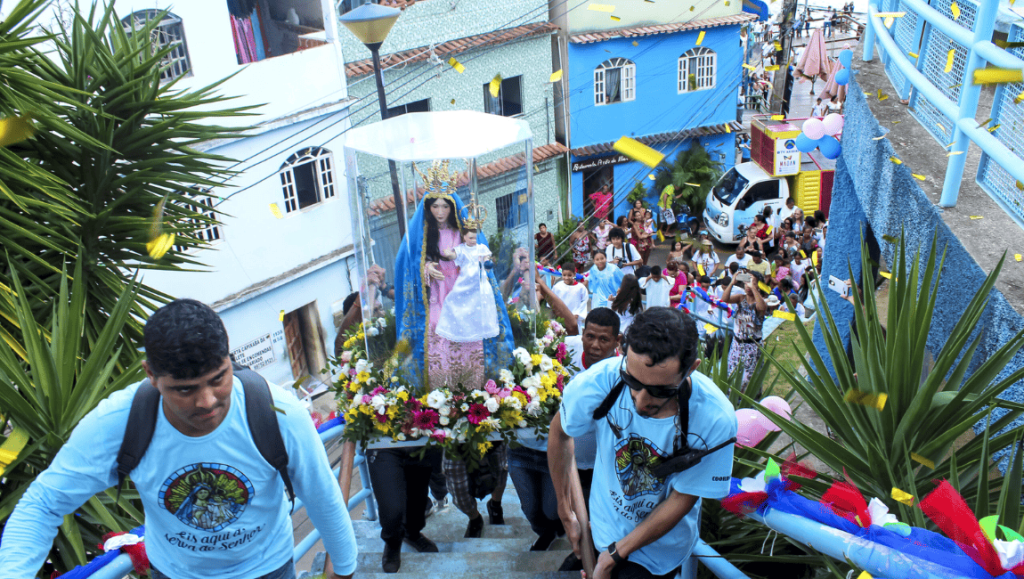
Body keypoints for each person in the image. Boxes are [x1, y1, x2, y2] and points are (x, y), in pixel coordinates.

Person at [0, 300, 359, 579]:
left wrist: (344, 567)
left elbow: (320, 493)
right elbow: (44, 503)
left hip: (268, 568)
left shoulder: (276, 413)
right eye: (184, 389)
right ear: (151, 375)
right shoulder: (120, 423)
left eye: (218, 378)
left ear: (230, 361)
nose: (206, 402)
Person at [548, 308, 737, 579]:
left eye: (660, 391)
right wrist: (565, 509)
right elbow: (560, 431)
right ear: (624, 354)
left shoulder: (714, 417)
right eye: (632, 381)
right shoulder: (599, 381)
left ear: (691, 369)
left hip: (662, 548)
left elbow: (682, 497)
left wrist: (614, 555)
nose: (640, 400)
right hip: (604, 527)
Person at [435, 227, 499, 343]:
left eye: (475, 238)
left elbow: (486, 257)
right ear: (464, 237)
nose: (473, 240)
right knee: (452, 300)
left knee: (481, 305)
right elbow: (455, 256)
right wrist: (450, 254)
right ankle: (458, 329)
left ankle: (482, 328)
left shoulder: (481, 248)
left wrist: (487, 261)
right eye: (470, 238)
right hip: (465, 280)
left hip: (480, 281)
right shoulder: (461, 249)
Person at [721, 274, 767, 388]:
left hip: (752, 347)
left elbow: (761, 308)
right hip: (737, 344)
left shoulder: (759, 302)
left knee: (748, 381)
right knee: (731, 376)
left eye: (752, 282)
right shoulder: (741, 298)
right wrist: (732, 282)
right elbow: (724, 299)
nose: (748, 286)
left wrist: (754, 288)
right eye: (747, 282)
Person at [553, 262, 591, 328]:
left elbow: (584, 301)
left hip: (575, 318)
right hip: (561, 318)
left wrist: (578, 314)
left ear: (574, 274)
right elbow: (552, 301)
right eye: (564, 275)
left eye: (569, 275)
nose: (566, 278)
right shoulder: (557, 286)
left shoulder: (581, 288)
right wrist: (557, 312)